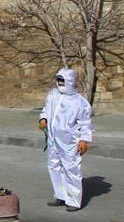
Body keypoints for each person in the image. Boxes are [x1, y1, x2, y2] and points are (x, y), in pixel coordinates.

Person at [39, 68, 94, 212]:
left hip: (69, 141)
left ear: (69, 81)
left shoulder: (80, 102)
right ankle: (61, 195)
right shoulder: (53, 95)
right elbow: (46, 109)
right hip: (53, 139)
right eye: (58, 79)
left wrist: (84, 140)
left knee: (71, 169)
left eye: (62, 80)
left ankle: (73, 201)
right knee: (54, 166)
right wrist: (43, 118)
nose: (59, 82)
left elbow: (85, 123)